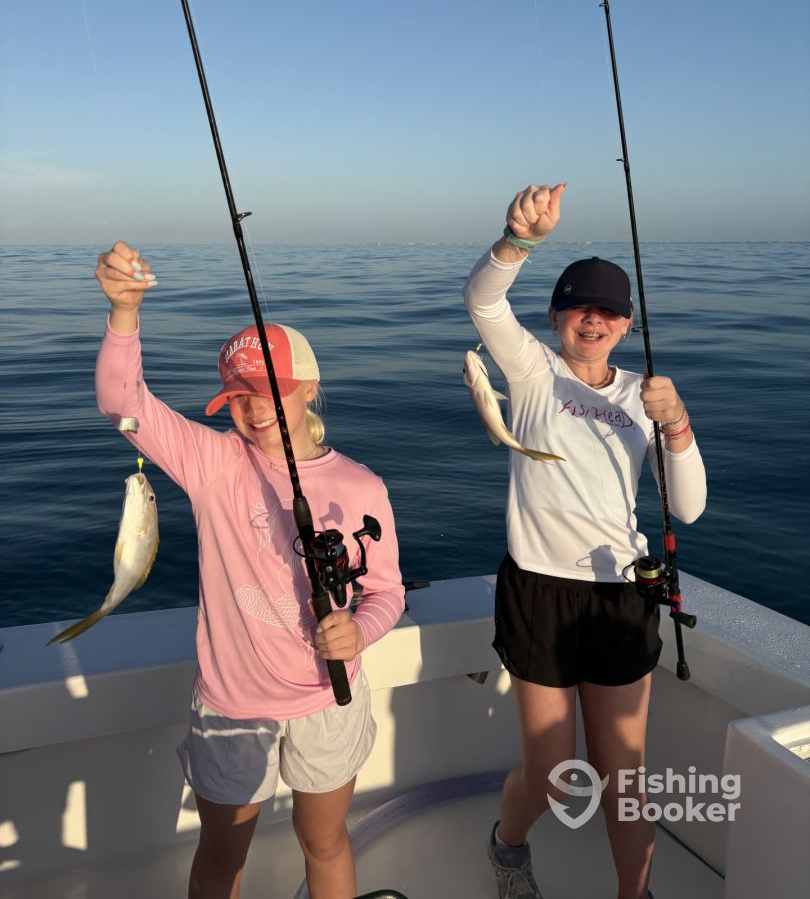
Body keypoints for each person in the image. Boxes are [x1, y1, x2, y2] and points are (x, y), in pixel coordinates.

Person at [94, 240, 405, 899]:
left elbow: (386, 591)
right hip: (233, 706)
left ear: (309, 387)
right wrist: (124, 313)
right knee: (221, 856)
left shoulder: (363, 486)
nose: (254, 407)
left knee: (325, 842)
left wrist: (360, 631)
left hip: (330, 697)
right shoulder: (212, 465)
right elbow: (123, 403)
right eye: (238, 394)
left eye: (270, 390)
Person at [463, 185, 706, 899]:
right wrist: (519, 241)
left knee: (622, 777)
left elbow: (689, 507)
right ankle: (508, 847)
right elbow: (482, 302)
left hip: (621, 595)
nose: (592, 319)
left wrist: (677, 424)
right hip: (539, 590)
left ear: (626, 325)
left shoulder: (645, 397)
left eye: (607, 311)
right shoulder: (531, 372)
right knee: (550, 773)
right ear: (555, 318)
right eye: (577, 308)